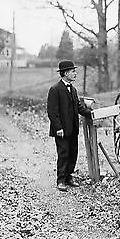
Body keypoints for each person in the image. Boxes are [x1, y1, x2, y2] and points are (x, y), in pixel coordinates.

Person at [47, 60, 92, 192]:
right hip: (61, 130)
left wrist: (92, 114)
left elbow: (78, 107)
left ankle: (69, 177)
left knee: (73, 153)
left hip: (73, 129)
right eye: (73, 71)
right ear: (65, 73)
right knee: (63, 153)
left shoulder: (73, 89)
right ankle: (61, 180)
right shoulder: (55, 89)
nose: (75, 73)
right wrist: (58, 128)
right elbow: (52, 112)